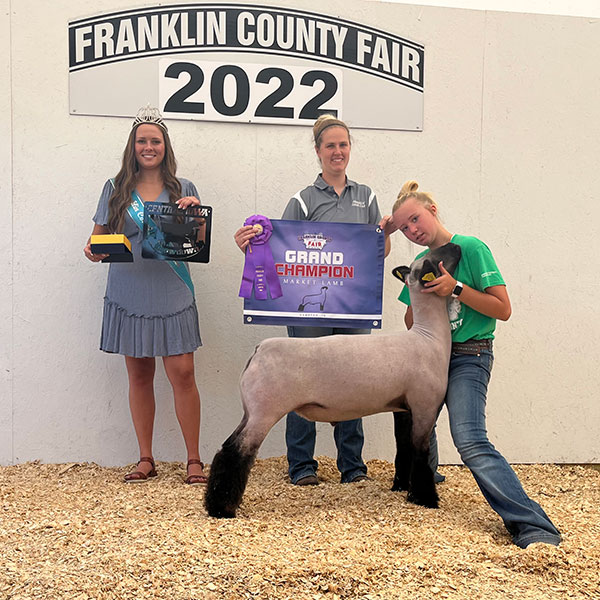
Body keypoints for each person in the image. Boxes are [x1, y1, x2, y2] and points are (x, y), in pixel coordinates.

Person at [385, 179, 561, 548]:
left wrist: (456, 290)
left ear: (432, 210)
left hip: (469, 354)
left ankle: (533, 525)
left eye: (415, 219)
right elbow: (410, 321)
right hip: (431, 356)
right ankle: (424, 487)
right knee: (412, 414)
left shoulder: (471, 248)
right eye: (404, 228)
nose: (413, 230)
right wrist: (424, 300)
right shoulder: (418, 263)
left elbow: (503, 309)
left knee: (469, 439)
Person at [235, 115, 392, 486]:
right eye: (330, 146)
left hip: (352, 305)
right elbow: (281, 247)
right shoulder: (302, 200)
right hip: (311, 309)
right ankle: (302, 465)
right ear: (318, 152)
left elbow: (377, 253)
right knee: (298, 380)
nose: (337, 152)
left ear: (349, 149)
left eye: (343, 145)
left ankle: (352, 466)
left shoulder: (366, 196)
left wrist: (387, 235)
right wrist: (249, 244)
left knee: (354, 381)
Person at [83, 106, 207, 485]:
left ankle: (194, 460)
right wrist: (93, 250)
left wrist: (195, 216)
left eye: (155, 141)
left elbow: (199, 243)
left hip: (172, 285)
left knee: (182, 373)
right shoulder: (114, 187)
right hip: (129, 286)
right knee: (139, 374)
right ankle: (145, 458)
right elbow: (95, 240)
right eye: (142, 141)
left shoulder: (184, 189)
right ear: (132, 146)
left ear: (165, 147)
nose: (148, 146)